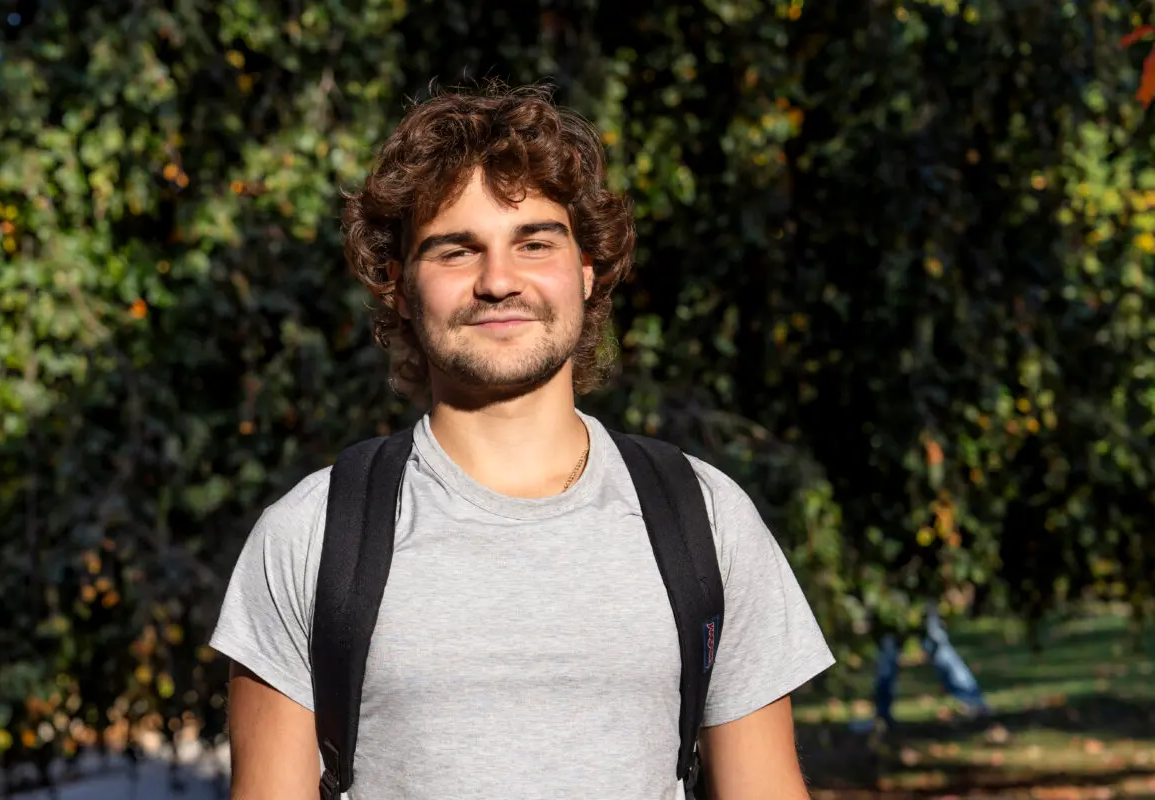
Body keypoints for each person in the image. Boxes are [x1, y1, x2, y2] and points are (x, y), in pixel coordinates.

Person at [209, 82, 835, 800]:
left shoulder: (706, 519)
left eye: (534, 242)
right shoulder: (311, 537)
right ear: (399, 287)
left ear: (587, 269)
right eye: (455, 251)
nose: (498, 281)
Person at [851, 603, 990, 733]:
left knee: (936, 645)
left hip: (917, 597)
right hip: (892, 601)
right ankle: (882, 715)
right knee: (890, 650)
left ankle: (974, 703)